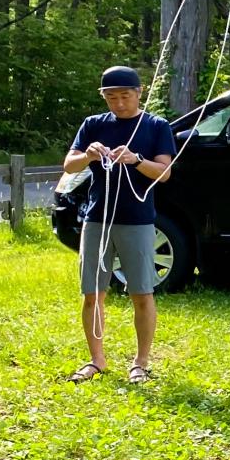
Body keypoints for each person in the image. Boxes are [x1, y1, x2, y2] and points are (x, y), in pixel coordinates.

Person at [63, 66, 176, 385]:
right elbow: (69, 166)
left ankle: (141, 362)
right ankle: (96, 360)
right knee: (92, 294)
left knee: (141, 292)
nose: (119, 103)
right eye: (111, 97)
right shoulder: (93, 125)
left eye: (125, 96)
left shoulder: (155, 125)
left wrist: (137, 160)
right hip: (96, 218)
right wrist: (88, 155)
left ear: (138, 93)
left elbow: (164, 173)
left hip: (137, 220)